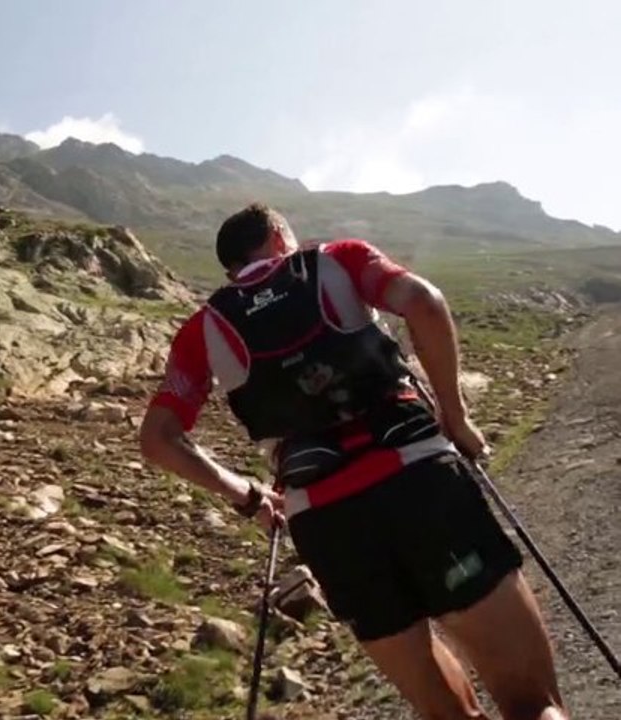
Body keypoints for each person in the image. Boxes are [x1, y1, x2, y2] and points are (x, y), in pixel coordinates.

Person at [137, 203, 568, 720]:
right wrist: (455, 419)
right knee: (531, 705)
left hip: (327, 525)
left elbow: (158, 439)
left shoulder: (203, 329)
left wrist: (248, 496)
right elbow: (425, 303)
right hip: (420, 483)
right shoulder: (338, 259)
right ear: (279, 236)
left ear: (230, 268)